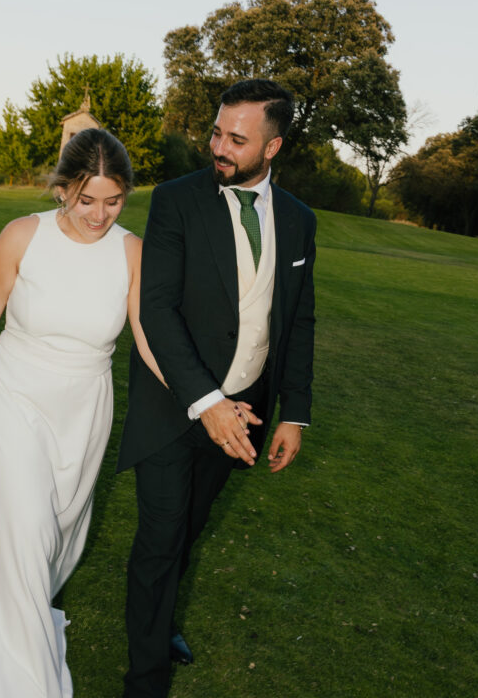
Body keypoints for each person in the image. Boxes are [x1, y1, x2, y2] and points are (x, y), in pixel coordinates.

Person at [0, 128, 163, 698]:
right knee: (23, 533)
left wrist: (201, 400)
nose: (99, 215)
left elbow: (148, 338)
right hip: (11, 398)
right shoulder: (22, 236)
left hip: (83, 409)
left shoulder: (131, 252)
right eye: (86, 199)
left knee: (46, 545)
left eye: (113, 201)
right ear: (63, 188)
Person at [118, 79, 317, 697]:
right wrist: (206, 403)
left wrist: (294, 413)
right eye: (215, 133)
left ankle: (159, 626)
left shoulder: (299, 220)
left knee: (189, 529)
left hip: (247, 412)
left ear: (273, 146)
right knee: (160, 538)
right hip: (172, 405)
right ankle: (146, 680)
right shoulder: (176, 200)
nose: (219, 147)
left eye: (237, 139)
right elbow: (156, 309)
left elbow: (298, 319)